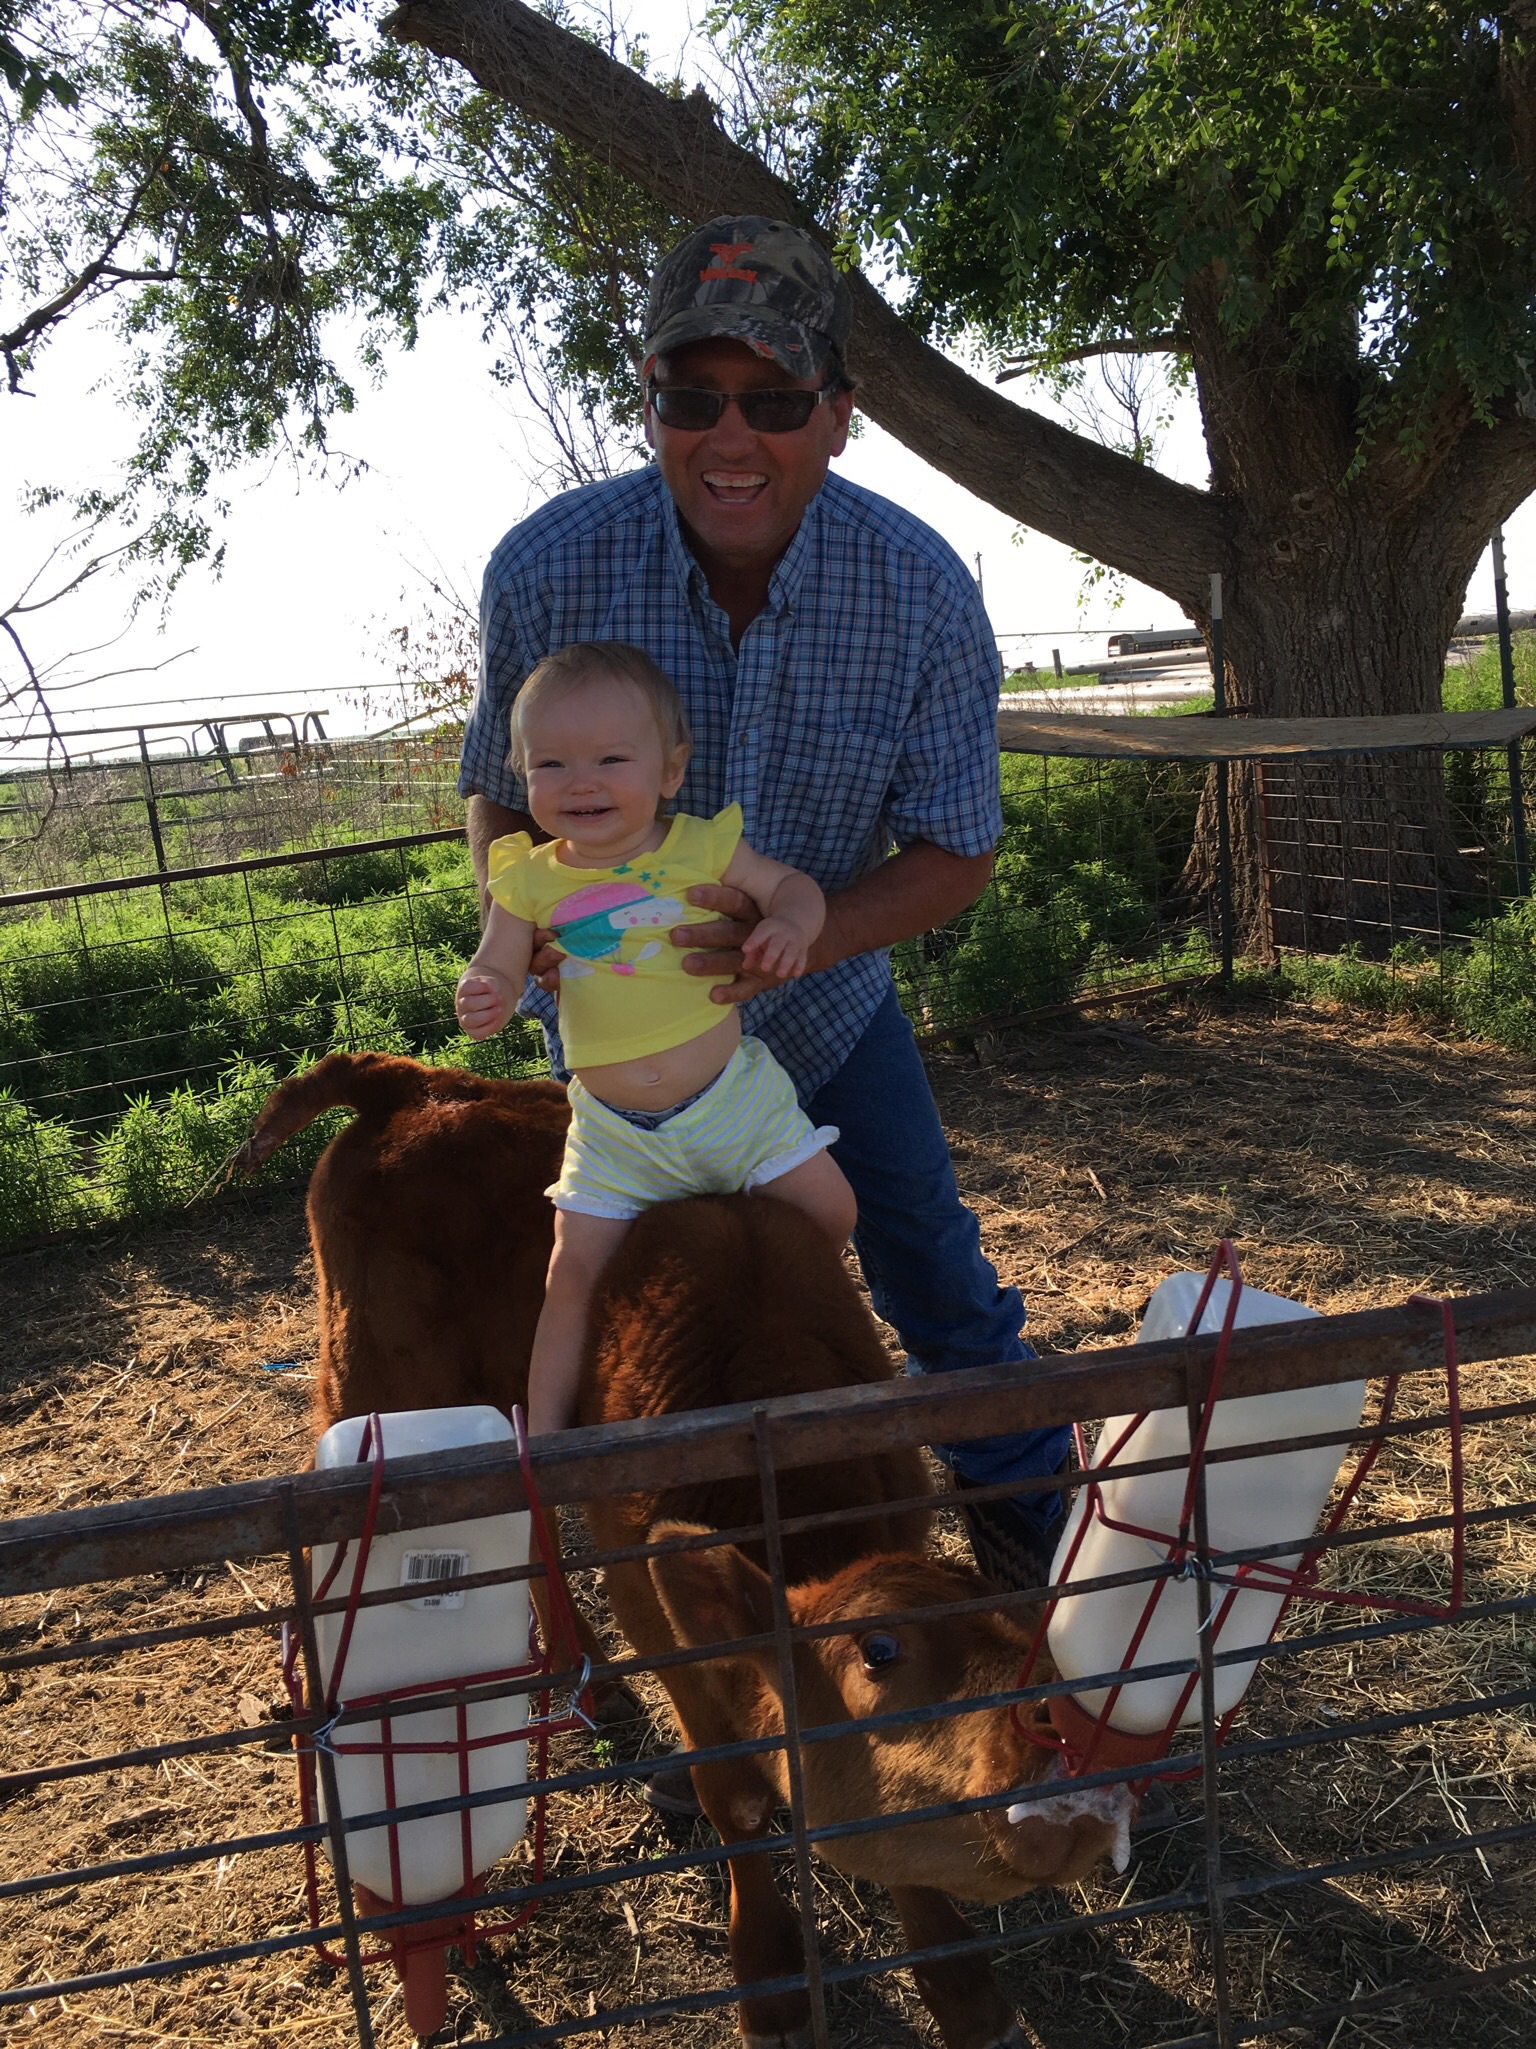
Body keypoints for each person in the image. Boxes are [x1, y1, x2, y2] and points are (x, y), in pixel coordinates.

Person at [459, 213, 1070, 1600]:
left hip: (834, 1014)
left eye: (775, 400)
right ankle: (632, 1596)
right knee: (632, 1316)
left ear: (839, 418)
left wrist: (801, 939)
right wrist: (517, 931)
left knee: (935, 1283)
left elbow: (959, 850)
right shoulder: (547, 567)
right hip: (624, 1042)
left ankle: (1034, 1584)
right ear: (652, 403)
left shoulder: (917, 589)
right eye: (693, 397)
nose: (730, 438)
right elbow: (496, 794)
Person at [454, 640, 856, 1434]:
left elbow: (793, 886)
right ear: (521, 774)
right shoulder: (527, 879)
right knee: (571, 1278)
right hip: (613, 1136)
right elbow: (497, 960)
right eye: (552, 765)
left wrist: (788, 924)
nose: (583, 781)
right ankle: (543, 1443)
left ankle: (781, 1341)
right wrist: (488, 991)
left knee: (833, 1212)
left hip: (732, 1106)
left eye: (611, 757)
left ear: (671, 770)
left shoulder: (697, 846)